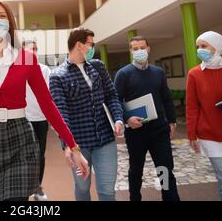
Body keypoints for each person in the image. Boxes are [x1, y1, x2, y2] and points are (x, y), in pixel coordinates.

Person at [0, 0, 89, 201]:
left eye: (1, 16)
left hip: (19, 138)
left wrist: (72, 146)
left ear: (10, 22)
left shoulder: (26, 58)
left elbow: (47, 104)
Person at [50, 28, 124, 201]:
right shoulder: (58, 76)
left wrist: (118, 118)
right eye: (91, 44)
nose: (93, 48)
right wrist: (68, 144)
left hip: (105, 138)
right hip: (79, 144)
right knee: (83, 188)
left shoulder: (98, 67)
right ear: (79, 45)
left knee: (107, 190)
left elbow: (111, 95)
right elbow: (62, 114)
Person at [114, 36, 180, 201]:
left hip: (159, 130)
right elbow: (115, 101)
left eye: (142, 47)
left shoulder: (158, 72)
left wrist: (172, 121)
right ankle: (134, 197)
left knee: (165, 169)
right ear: (131, 51)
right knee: (136, 170)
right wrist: (127, 118)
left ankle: (170, 198)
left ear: (148, 48)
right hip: (136, 132)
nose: (139, 51)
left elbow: (166, 98)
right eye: (135, 49)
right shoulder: (123, 74)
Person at [186, 31, 222, 201]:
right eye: (198, 47)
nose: (200, 50)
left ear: (216, 46)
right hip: (209, 134)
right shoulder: (194, 74)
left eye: (204, 46)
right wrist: (191, 134)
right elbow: (192, 106)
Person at [23, 40, 51, 201]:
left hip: (40, 119)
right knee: (24, 156)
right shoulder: (17, 69)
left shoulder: (44, 69)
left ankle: (37, 187)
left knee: (40, 155)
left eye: (35, 49)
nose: (33, 52)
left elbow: (48, 96)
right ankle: (24, 188)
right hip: (23, 119)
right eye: (29, 49)